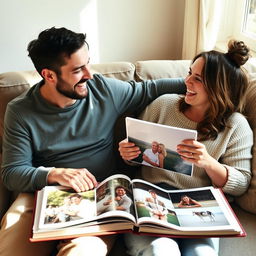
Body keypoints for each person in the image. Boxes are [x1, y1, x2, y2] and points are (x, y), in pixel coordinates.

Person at [0, 27, 186, 256]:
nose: (89, 74)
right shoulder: (20, 111)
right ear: (49, 75)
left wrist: (204, 80)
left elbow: (150, 89)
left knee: (85, 252)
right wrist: (54, 174)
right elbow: (12, 173)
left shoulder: (102, 90)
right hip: (41, 196)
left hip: (98, 197)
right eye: (78, 69)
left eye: (88, 63)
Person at [119, 40, 253, 256]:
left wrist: (207, 162)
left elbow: (241, 185)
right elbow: (136, 154)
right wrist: (128, 153)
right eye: (189, 73)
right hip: (152, 199)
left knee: (202, 254)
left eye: (197, 79)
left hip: (200, 206)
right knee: (162, 251)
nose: (186, 81)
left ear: (219, 89)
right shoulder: (163, 105)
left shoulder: (236, 125)